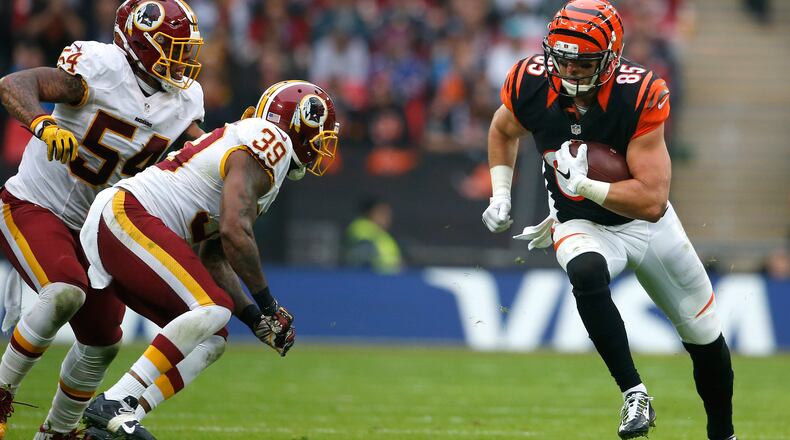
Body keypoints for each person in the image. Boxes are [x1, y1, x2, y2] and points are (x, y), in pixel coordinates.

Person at [481, 1, 736, 440]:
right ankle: (634, 392)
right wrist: (500, 192)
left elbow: (652, 201)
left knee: (704, 335)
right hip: (579, 222)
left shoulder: (638, 93)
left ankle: (723, 435)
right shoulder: (530, 81)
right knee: (585, 270)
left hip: (646, 226)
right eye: (563, 59)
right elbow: (503, 129)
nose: (571, 71)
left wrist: (587, 185)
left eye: (584, 63)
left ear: (611, 58)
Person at [78, 80, 339, 439]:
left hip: (127, 226)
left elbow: (215, 258)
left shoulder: (257, 154)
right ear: (300, 123)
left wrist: (255, 319)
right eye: (320, 135)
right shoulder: (272, 142)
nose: (320, 146)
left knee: (213, 337)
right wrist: (269, 305)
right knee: (213, 308)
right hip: (128, 215)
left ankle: (118, 421)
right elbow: (235, 232)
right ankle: (115, 400)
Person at [0, 1, 206, 438]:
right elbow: (14, 84)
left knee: (103, 342)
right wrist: (42, 124)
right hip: (34, 204)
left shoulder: (185, 100)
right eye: (174, 48)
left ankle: (57, 433)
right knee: (64, 292)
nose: (183, 60)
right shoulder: (101, 67)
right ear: (141, 44)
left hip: (94, 230)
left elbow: (200, 152)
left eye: (186, 50)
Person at [343, 196, 403, 274]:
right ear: (370, 212)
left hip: (389, 276)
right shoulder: (360, 226)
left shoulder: (384, 234)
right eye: (382, 213)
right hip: (369, 277)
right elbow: (363, 251)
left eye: (388, 213)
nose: (387, 217)